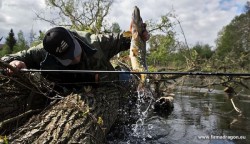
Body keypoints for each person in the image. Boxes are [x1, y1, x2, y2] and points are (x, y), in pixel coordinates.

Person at [1, 26, 149, 89]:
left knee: (128, 79)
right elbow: (6, 60)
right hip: (66, 91)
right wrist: (14, 62)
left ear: (74, 38)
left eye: (74, 51)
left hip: (111, 82)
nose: (75, 58)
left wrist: (139, 34)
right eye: (68, 58)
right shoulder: (42, 52)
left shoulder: (96, 41)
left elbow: (124, 39)